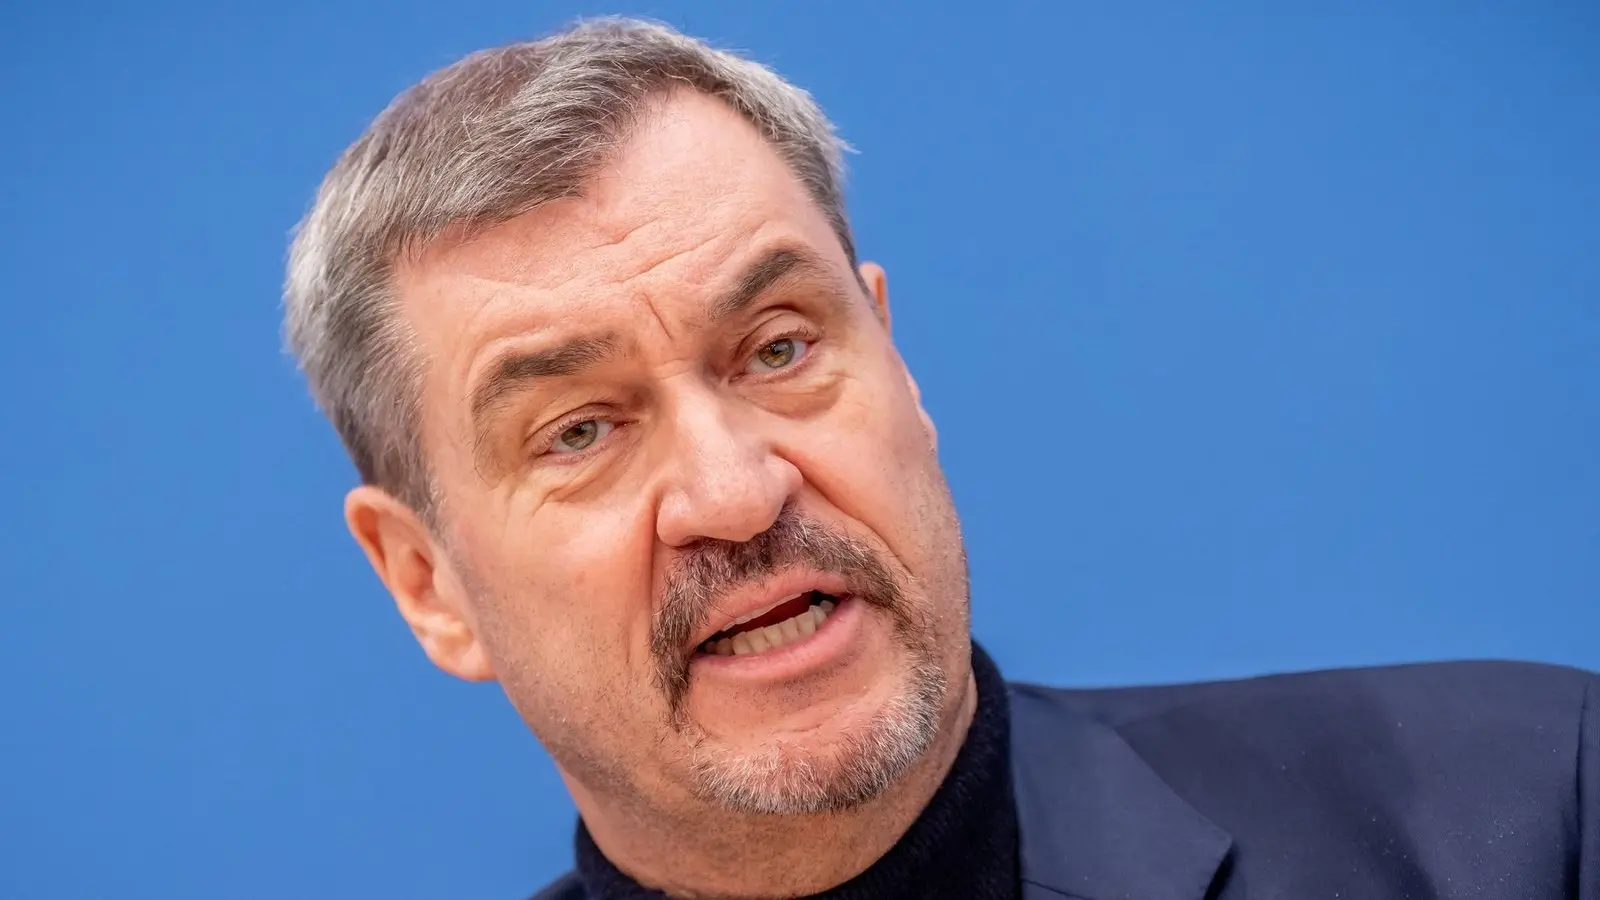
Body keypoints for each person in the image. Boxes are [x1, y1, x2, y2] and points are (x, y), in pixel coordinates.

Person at [283, 17, 1598, 900]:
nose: (737, 493)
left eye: (779, 348)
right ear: (426, 583)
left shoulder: (1534, 809)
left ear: (897, 364)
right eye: (579, 431)